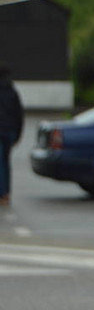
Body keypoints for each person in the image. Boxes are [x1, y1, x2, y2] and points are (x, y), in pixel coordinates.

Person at [0, 64, 24, 206]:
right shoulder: (12, 91)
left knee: (0, 162)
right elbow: (19, 114)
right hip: (10, 132)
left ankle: (2, 193)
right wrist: (18, 134)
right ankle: (7, 193)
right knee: (6, 162)